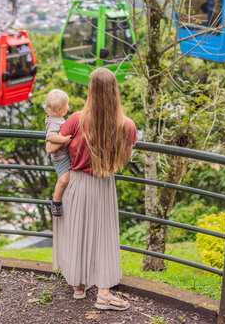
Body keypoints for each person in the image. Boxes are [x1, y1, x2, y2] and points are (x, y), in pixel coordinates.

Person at [48, 67, 137, 311]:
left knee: (78, 231)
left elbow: (54, 146)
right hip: (103, 184)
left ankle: (78, 286)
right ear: (115, 92)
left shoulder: (76, 119)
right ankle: (104, 294)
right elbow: (126, 159)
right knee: (103, 236)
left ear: (90, 91)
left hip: (76, 182)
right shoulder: (126, 125)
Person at [43, 89, 72, 217]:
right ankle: (57, 201)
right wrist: (64, 139)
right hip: (60, 157)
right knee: (63, 180)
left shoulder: (55, 118)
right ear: (63, 110)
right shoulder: (55, 122)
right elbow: (50, 137)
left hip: (63, 155)